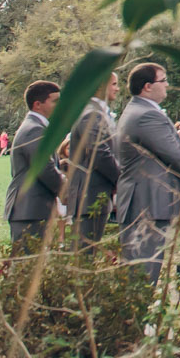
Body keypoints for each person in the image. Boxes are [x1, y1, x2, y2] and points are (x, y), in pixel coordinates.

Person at [115, 62, 180, 280]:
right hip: (147, 204)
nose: (167, 85)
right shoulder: (146, 115)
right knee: (143, 275)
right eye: (163, 80)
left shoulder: (138, 110)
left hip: (145, 202)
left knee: (143, 273)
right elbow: (173, 154)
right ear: (147, 87)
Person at [63, 72, 122, 247]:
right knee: (84, 254)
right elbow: (98, 152)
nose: (118, 89)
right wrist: (120, 178)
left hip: (94, 193)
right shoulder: (92, 114)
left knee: (87, 251)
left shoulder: (97, 112)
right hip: (90, 195)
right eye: (114, 84)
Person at [6, 80, 64, 250]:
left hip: (34, 209)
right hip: (29, 210)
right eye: (55, 101)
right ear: (38, 104)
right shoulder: (34, 129)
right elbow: (44, 168)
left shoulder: (37, 127)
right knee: (27, 267)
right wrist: (66, 189)